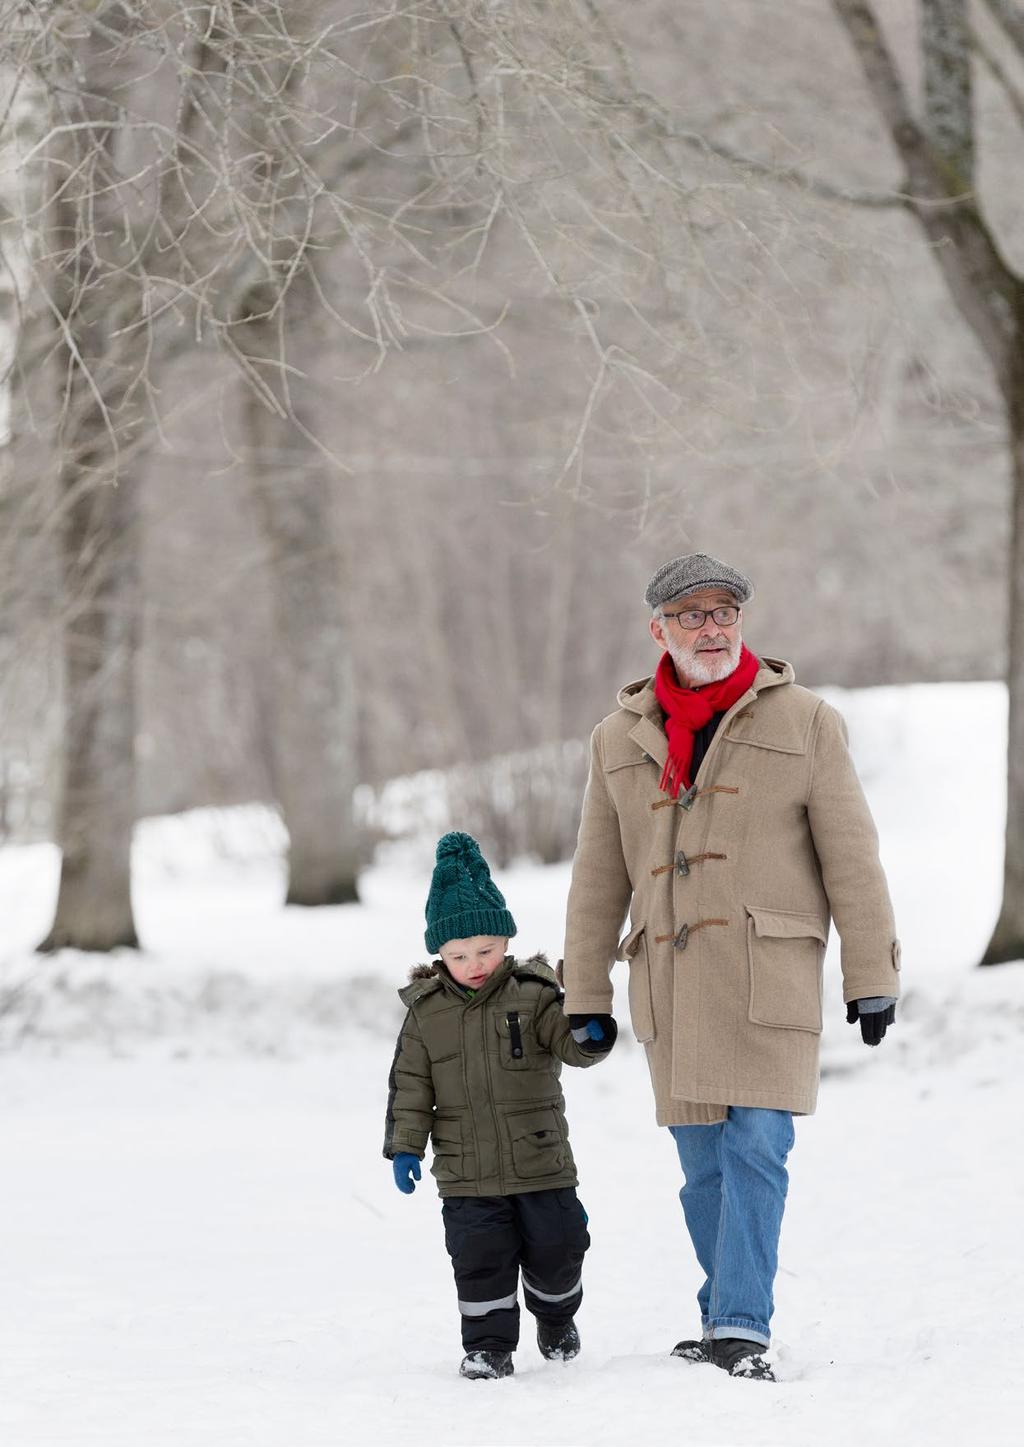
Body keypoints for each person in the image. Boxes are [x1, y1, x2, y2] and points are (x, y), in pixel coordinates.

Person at [561, 551, 900, 1382]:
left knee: (757, 1144)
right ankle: (724, 1310)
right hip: (670, 982)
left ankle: (742, 1323)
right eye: (692, 615)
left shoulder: (807, 721)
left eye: (724, 613)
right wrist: (584, 990)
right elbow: (598, 876)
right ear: (659, 629)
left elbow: (851, 856)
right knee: (702, 1161)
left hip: (768, 972)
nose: (711, 628)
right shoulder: (618, 737)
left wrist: (872, 974)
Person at [383, 830, 616, 1381]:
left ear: (506, 942)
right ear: (439, 954)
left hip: (541, 1161)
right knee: (479, 1259)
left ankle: (556, 1315)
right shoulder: (425, 1013)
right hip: (467, 1172)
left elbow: (573, 1047)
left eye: (486, 950)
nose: (475, 963)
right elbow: (410, 1086)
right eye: (460, 954)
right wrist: (404, 1147)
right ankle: (489, 1345)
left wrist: (590, 1031)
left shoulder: (535, 995)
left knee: (558, 1248)